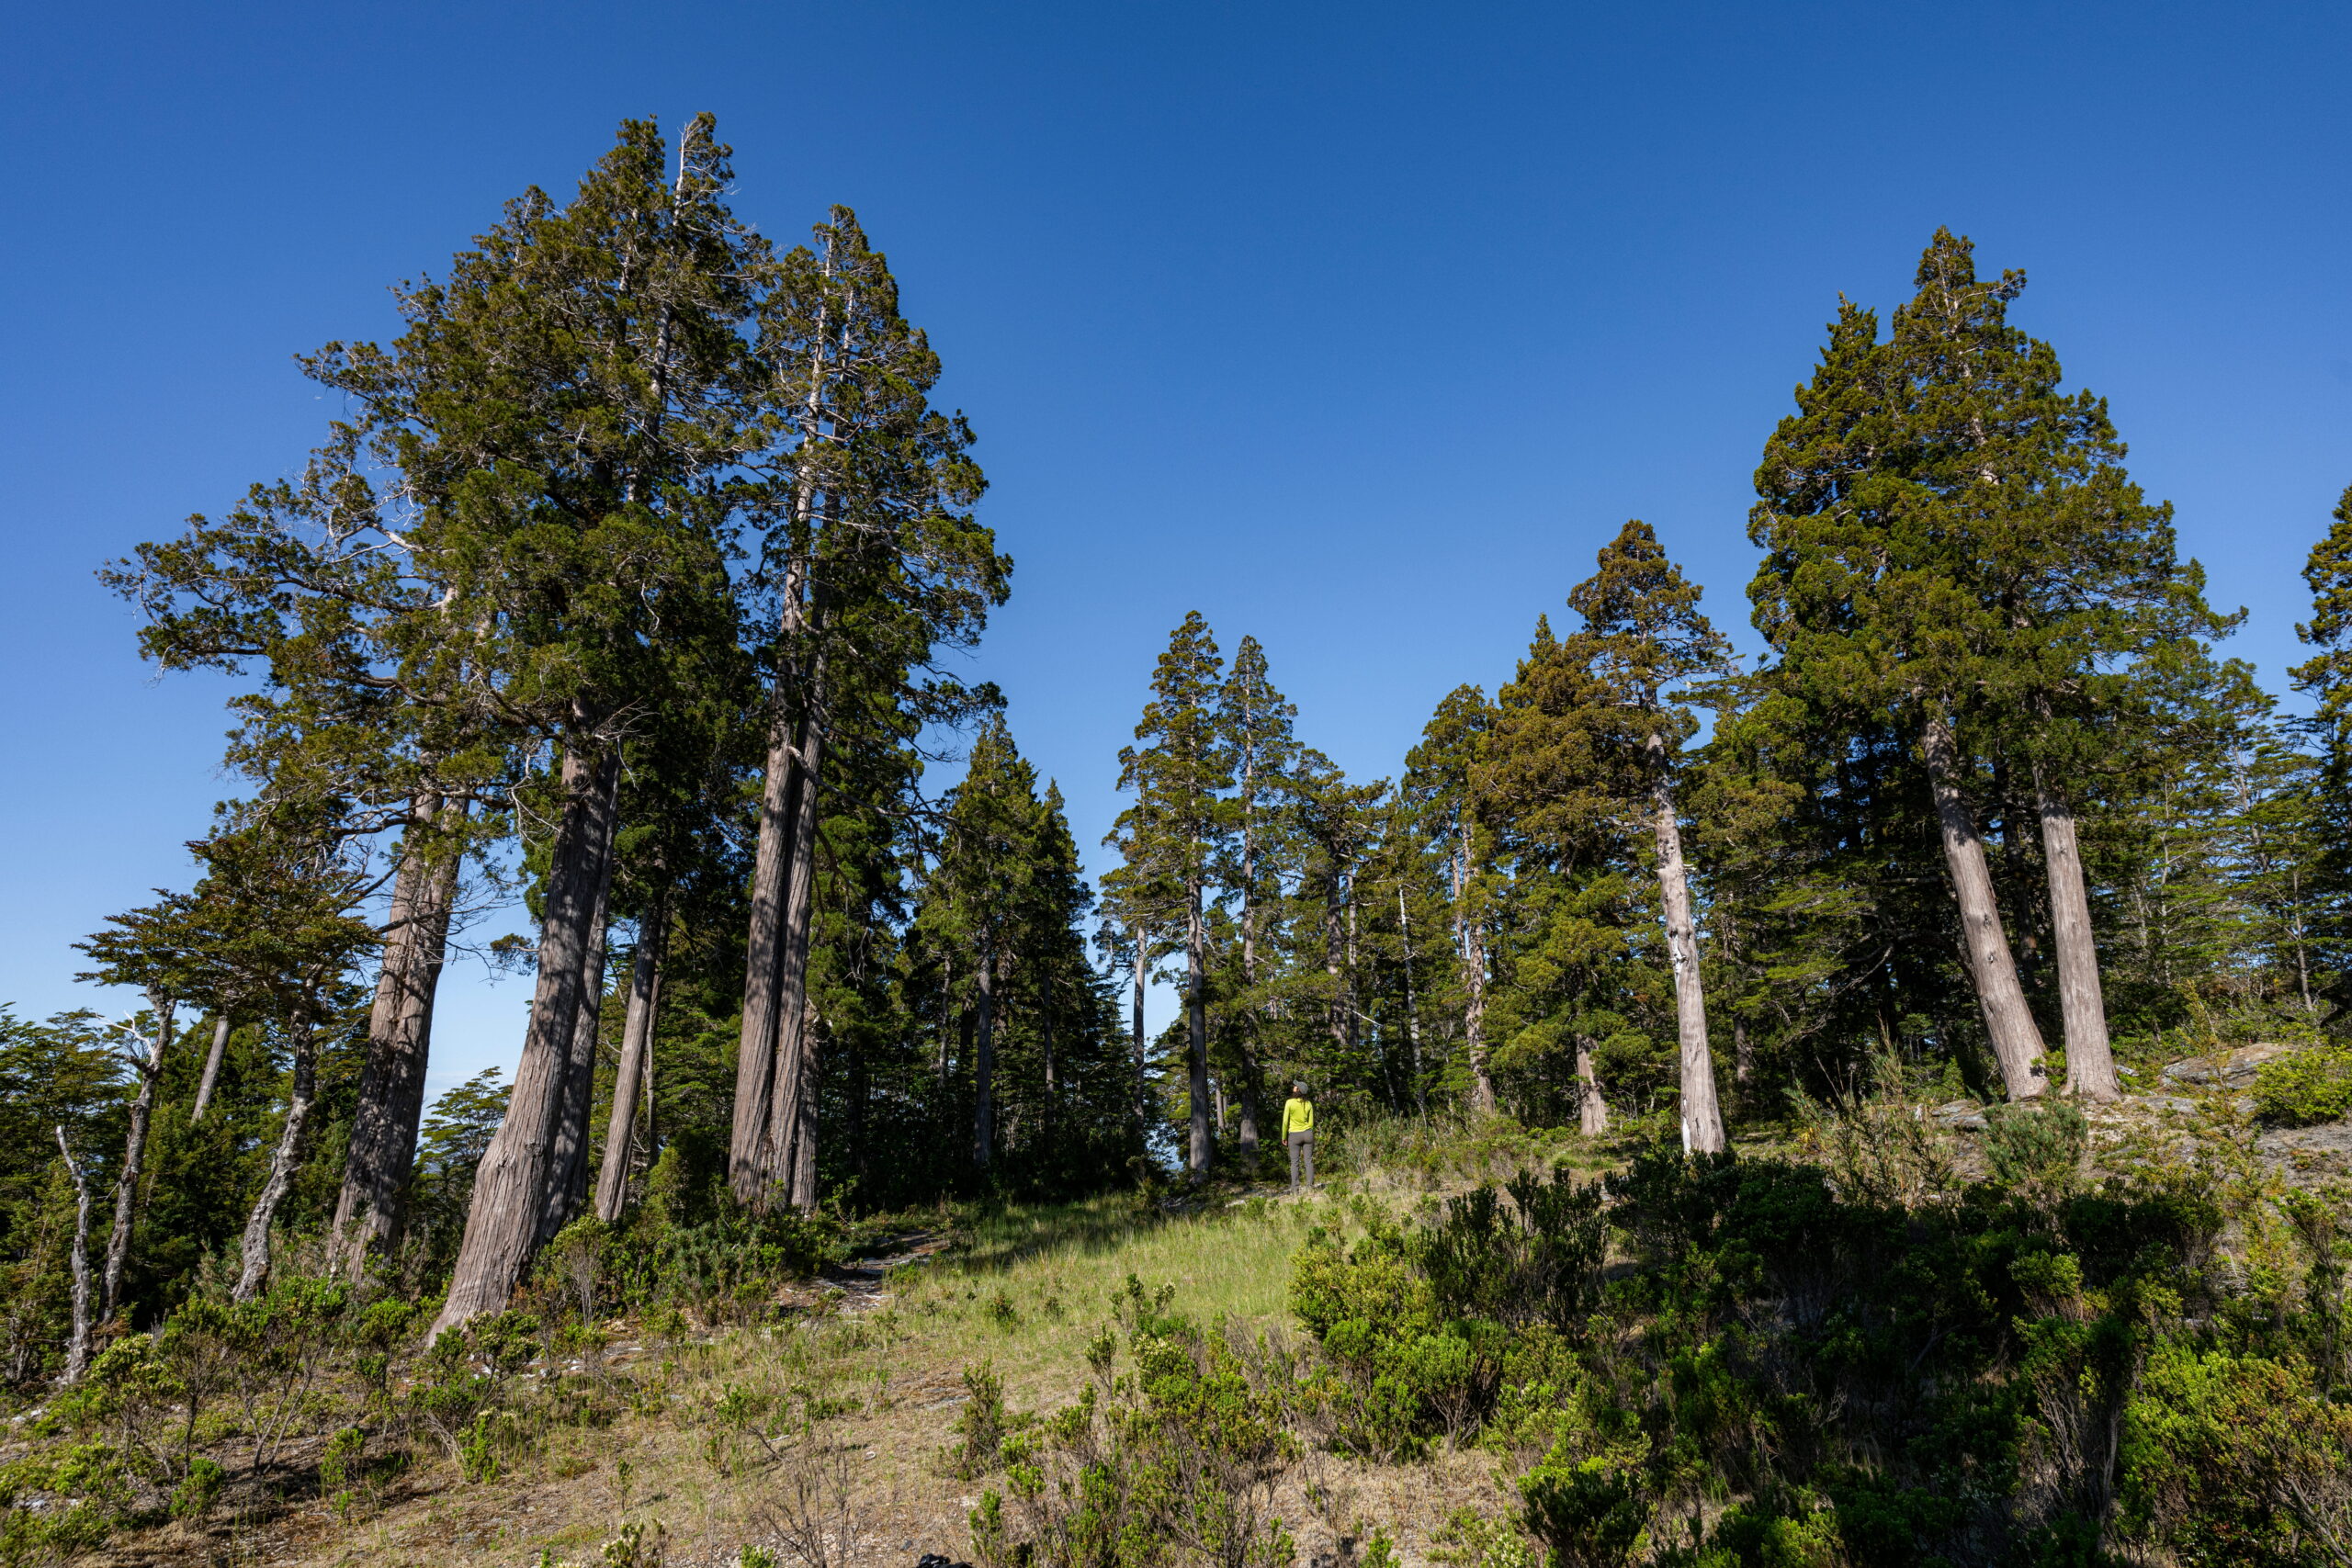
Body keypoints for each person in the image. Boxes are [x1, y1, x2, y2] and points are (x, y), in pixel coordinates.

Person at [1281, 1081, 1315, 1192]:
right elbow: (1311, 1123)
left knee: (1295, 1163)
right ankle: (1310, 1188)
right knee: (1308, 1161)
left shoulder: (1289, 1103)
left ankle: (1295, 1189)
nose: (1294, 1087)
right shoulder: (1308, 1103)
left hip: (1294, 1135)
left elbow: (1285, 1122)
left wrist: (1284, 1136)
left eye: (1296, 1086)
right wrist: (1306, 1130)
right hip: (1308, 1134)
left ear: (1298, 1090)